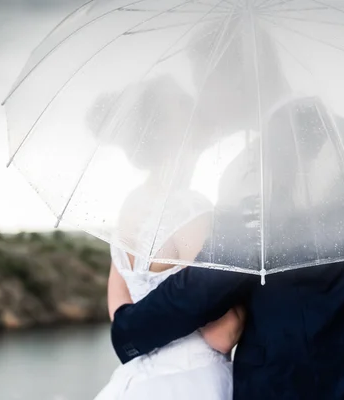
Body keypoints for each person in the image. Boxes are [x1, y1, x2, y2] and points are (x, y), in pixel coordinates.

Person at [110, 18, 344, 399]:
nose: (202, 101)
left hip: (298, 386)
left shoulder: (254, 170)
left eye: (207, 85)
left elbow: (208, 284)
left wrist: (128, 329)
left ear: (240, 80)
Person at [90, 75, 244, 400]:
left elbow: (121, 315)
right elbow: (223, 335)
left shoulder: (129, 206)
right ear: (180, 134)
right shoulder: (192, 210)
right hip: (193, 381)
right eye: (189, 111)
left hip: (134, 382)